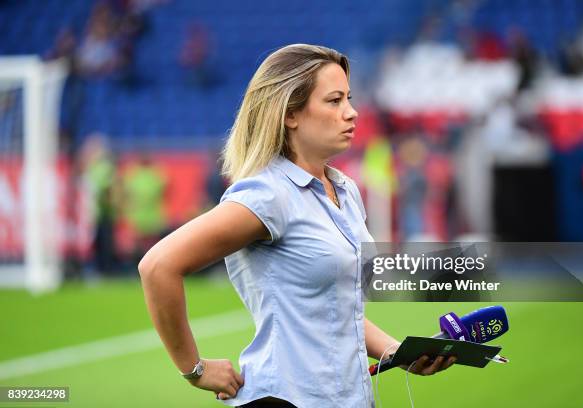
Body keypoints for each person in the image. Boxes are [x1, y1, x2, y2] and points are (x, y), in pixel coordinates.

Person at [138, 44, 455, 408]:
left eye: (349, 99)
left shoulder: (346, 191)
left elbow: (337, 308)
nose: (351, 113)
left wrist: (398, 352)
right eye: (334, 101)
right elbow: (158, 266)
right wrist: (194, 369)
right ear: (291, 115)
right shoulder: (268, 195)